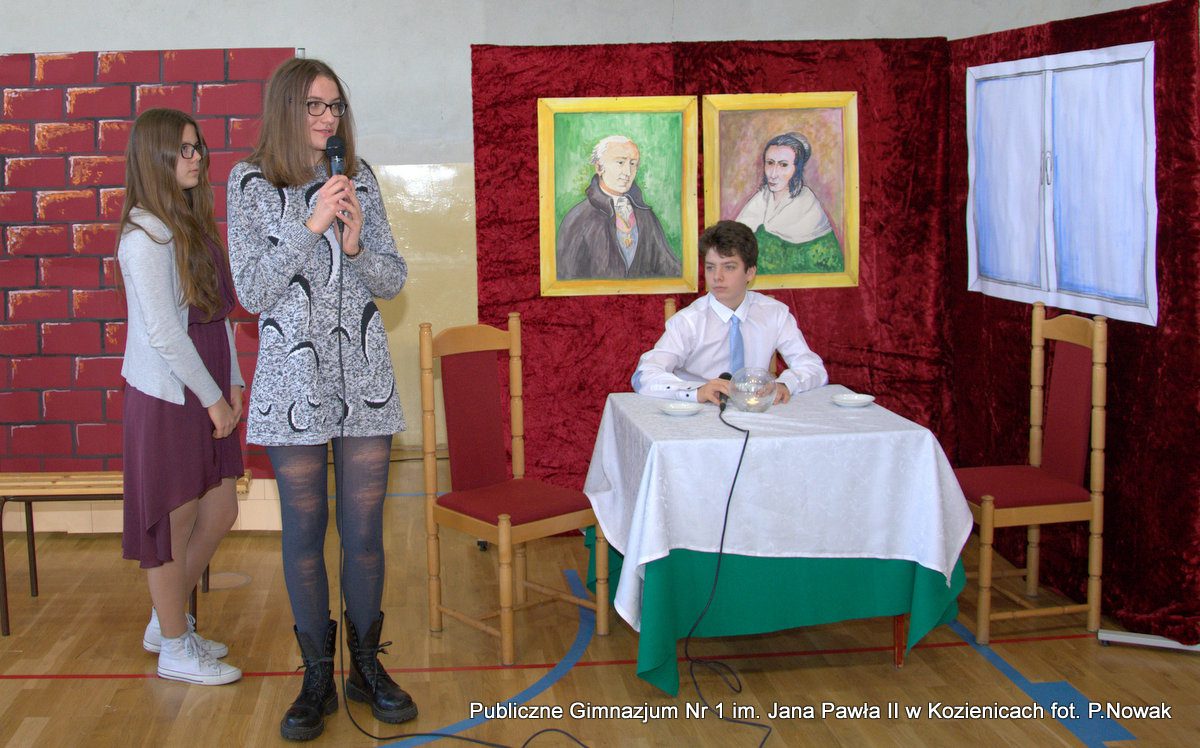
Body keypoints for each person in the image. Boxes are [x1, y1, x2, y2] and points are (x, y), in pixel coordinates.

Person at [226, 59, 416, 740]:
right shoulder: (250, 183)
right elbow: (252, 291)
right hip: (292, 385)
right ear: (286, 108)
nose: (328, 118)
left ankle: (365, 667)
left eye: (335, 106)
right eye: (314, 105)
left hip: (363, 378)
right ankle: (316, 678)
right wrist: (310, 224)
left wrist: (357, 245)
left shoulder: (360, 179)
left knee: (363, 534)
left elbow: (392, 280)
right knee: (305, 535)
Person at [117, 108, 243, 686]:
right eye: (185, 149)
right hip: (172, 392)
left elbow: (217, 314)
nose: (196, 158)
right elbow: (166, 333)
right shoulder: (143, 235)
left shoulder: (191, 222)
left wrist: (233, 381)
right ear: (156, 156)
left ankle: (163, 621)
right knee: (175, 520)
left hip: (207, 381)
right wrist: (213, 396)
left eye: (198, 148)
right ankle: (173, 644)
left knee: (220, 510)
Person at [632, 220, 827, 405]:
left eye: (729, 267)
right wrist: (697, 391)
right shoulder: (688, 321)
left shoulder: (775, 314)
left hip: (755, 410)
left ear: (750, 272)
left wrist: (786, 383)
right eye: (710, 267)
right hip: (700, 414)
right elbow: (643, 375)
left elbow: (813, 368)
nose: (717, 277)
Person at [556, 135, 683, 280]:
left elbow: (668, 266)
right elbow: (567, 278)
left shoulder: (645, 215)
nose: (628, 172)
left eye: (633, 164)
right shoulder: (578, 219)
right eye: (620, 162)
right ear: (599, 167)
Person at [735, 132, 843, 275]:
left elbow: (827, 266)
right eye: (770, 163)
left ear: (796, 169)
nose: (773, 174)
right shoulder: (762, 197)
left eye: (783, 165)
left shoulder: (808, 205)